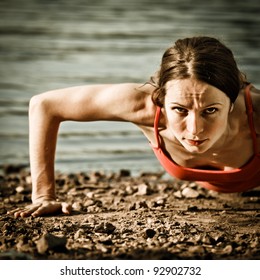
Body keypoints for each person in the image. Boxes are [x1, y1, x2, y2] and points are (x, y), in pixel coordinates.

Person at [10, 36, 260, 218]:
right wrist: (43, 196)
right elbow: (44, 105)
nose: (194, 129)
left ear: (231, 102)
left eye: (210, 111)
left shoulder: (255, 112)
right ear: (162, 99)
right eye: (179, 110)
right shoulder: (143, 106)